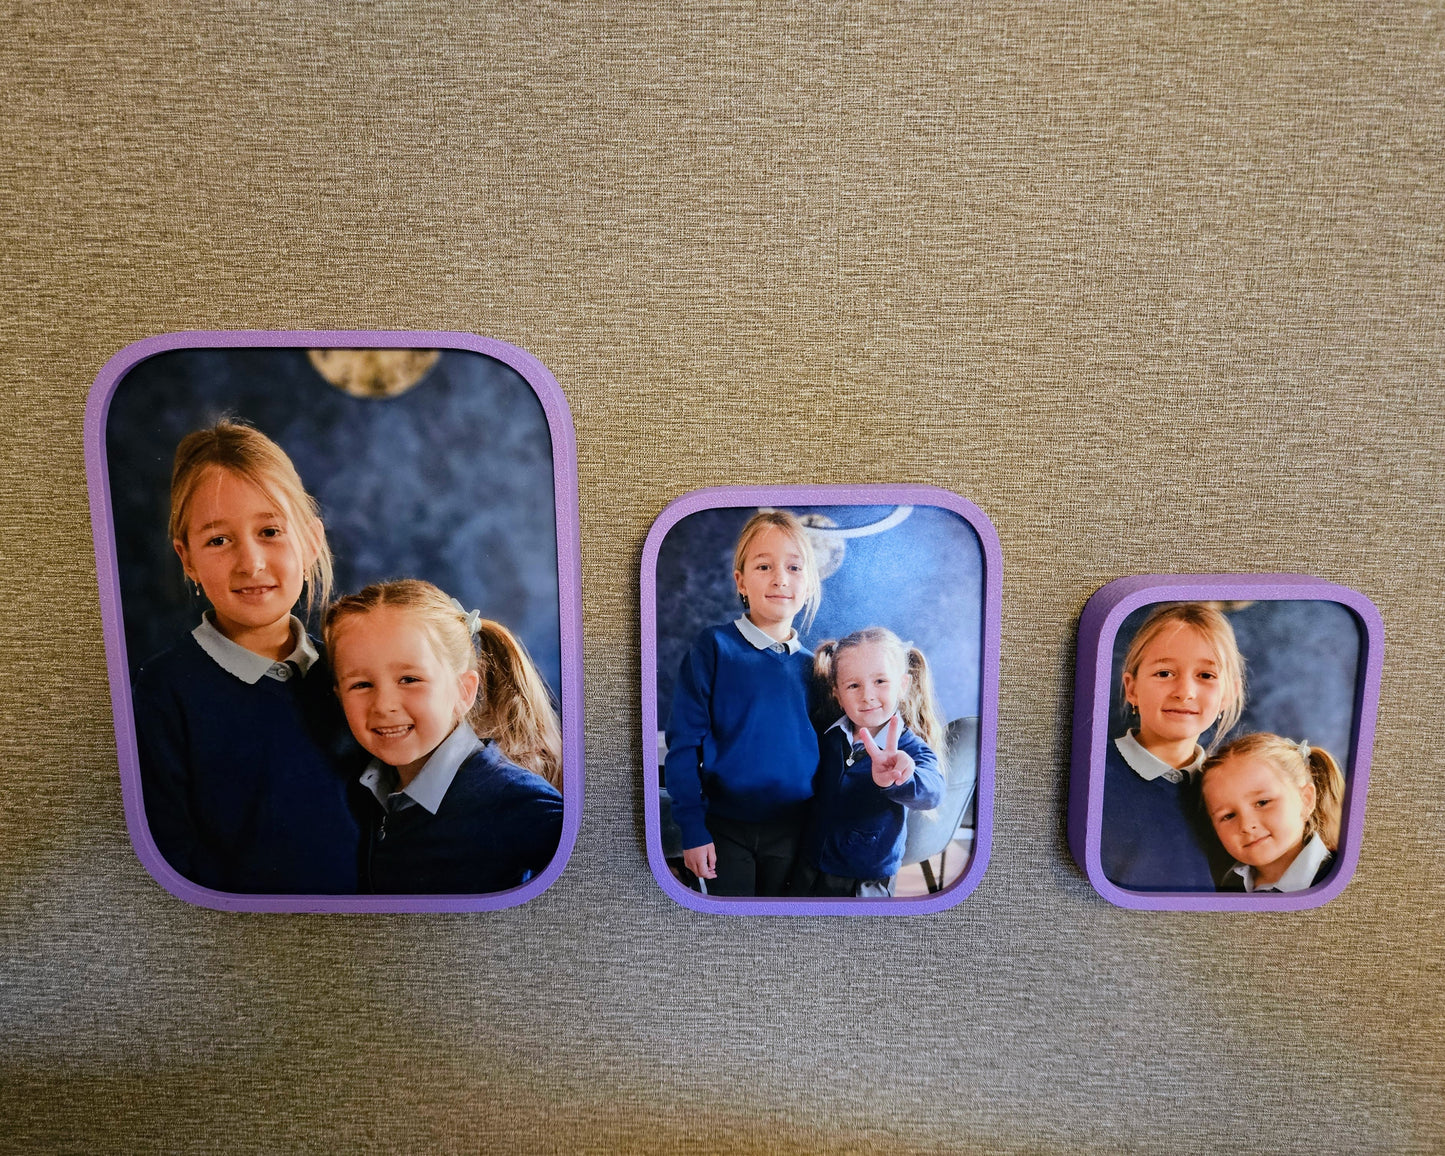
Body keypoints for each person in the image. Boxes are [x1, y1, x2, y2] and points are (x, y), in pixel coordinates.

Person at [131, 420, 363, 893]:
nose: (251, 562)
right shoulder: (163, 692)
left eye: (271, 531)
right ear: (187, 558)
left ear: (311, 541)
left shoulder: (351, 673)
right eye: (219, 540)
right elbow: (168, 855)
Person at [324, 579, 563, 894]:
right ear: (339, 696)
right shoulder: (356, 791)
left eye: (409, 679)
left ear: (464, 692)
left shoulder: (515, 802)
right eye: (361, 685)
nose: (383, 706)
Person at [663, 510, 823, 896]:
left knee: (780, 937)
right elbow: (683, 745)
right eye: (764, 565)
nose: (780, 578)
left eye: (794, 567)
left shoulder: (816, 667)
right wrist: (692, 828)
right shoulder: (714, 648)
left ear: (808, 583)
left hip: (796, 830)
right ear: (741, 581)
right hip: (724, 829)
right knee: (729, 939)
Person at [1101, 602, 1246, 891]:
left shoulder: (1235, 794)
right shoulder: (1093, 772)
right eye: (1165, 673)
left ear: (1229, 694)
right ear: (1132, 689)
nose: (1185, 693)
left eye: (1206, 675)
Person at [796, 628, 945, 898]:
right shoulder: (827, 736)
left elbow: (933, 792)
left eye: (880, 681)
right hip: (811, 867)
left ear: (903, 685)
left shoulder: (908, 747)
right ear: (838, 694)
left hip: (865, 881)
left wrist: (903, 777)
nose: (867, 695)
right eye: (854, 685)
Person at [1200, 732, 1345, 893]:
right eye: (1228, 815)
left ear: (1306, 800)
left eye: (1262, 803)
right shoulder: (1223, 888)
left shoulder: (1341, 879)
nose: (1247, 825)